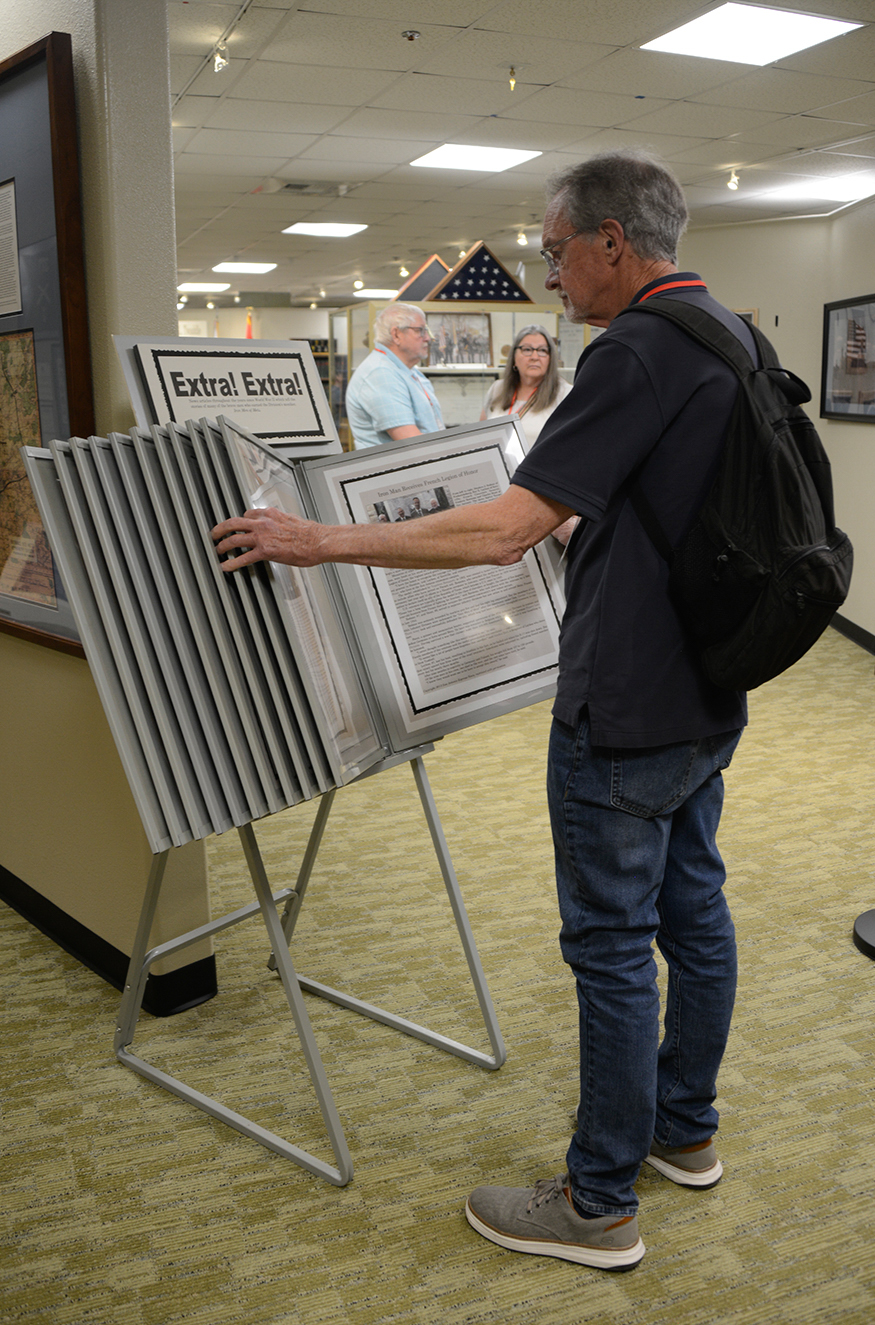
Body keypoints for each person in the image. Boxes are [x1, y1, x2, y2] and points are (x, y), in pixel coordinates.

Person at [212, 149, 750, 1272]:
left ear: (612, 241)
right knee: (693, 912)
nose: (549, 276)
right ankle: (683, 1128)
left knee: (610, 948)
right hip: (708, 688)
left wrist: (319, 539)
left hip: (626, 706)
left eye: (556, 251)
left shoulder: (634, 352)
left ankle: (597, 1200)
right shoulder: (732, 337)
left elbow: (501, 527)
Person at [345, 303, 444, 449]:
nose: (428, 338)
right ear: (396, 334)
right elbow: (411, 442)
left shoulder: (408, 371)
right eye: (420, 330)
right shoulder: (380, 373)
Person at [481, 324, 572, 447]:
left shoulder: (564, 394)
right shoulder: (497, 389)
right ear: (514, 357)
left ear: (550, 359)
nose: (534, 357)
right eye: (527, 350)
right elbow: (480, 438)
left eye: (542, 350)